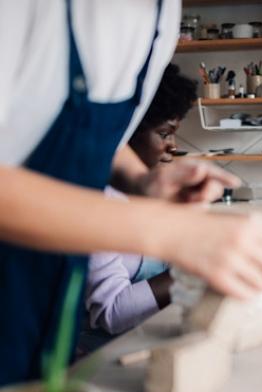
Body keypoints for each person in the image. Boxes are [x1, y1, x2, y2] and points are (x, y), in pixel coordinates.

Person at [0, 2, 262, 385]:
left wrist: (140, 181)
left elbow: (88, 134)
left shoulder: (163, 17)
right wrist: (172, 232)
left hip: (48, 296)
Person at [83, 64, 196, 347]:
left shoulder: (154, 192)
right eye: (164, 133)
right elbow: (112, 312)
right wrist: (196, 270)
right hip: (98, 355)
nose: (172, 145)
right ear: (126, 134)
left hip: (148, 335)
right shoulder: (96, 203)